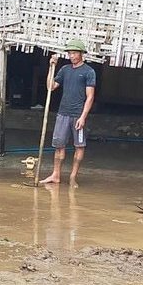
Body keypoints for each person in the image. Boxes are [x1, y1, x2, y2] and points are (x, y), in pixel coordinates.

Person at [40, 39, 96, 187]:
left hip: (78, 114)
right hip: (63, 113)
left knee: (79, 146)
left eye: (74, 53)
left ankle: (72, 176)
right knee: (59, 145)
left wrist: (83, 117)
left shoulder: (88, 72)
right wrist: (51, 67)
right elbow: (51, 87)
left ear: (81, 54)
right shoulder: (65, 69)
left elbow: (90, 97)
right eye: (70, 53)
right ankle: (56, 175)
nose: (72, 56)